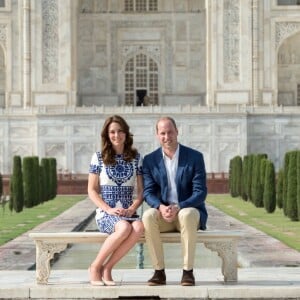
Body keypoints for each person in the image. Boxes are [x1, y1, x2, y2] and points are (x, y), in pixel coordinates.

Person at [142, 116, 208, 286]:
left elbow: (200, 192)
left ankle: (187, 272)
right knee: (148, 216)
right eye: (162, 133)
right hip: (165, 215)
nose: (167, 136)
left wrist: (179, 207)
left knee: (186, 214)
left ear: (177, 132)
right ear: (157, 135)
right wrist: (160, 207)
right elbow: (148, 192)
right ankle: (159, 272)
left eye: (170, 132)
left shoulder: (194, 157)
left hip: (188, 213)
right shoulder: (150, 160)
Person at [88, 115, 144, 286]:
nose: (116, 135)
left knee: (139, 226)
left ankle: (108, 268)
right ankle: (95, 266)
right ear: (107, 135)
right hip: (107, 213)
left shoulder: (136, 158)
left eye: (120, 131)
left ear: (126, 134)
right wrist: (108, 209)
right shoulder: (98, 157)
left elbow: (142, 191)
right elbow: (92, 190)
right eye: (112, 132)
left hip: (128, 212)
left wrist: (133, 207)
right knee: (123, 227)